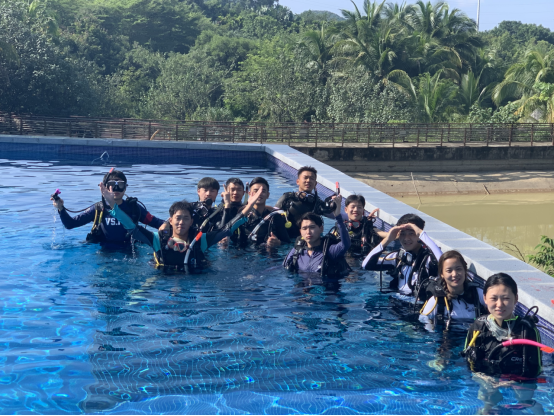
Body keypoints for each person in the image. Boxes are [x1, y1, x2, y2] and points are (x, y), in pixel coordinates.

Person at [99, 183, 264, 271]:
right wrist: (113, 205)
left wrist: (249, 205)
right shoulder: (158, 240)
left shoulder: (200, 240)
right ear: (170, 220)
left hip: (196, 282)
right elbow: (133, 228)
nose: (181, 222)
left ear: (192, 222)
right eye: (178, 218)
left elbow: (227, 229)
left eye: (186, 218)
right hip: (162, 282)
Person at [461, 273, 546, 414]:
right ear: (485, 298)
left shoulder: (527, 330)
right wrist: (483, 378)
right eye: (494, 298)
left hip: (519, 380)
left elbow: (534, 368)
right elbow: (468, 361)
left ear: (516, 299)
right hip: (487, 377)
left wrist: (512, 381)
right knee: (486, 398)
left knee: (525, 400)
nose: (499, 304)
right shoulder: (478, 326)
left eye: (506, 298)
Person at [50, 169, 164, 249]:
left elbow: (158, 223)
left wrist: (169, 228)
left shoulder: (134, 208)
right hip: (105, 252)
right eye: (112, 184)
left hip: (129, 252)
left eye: (120, 185)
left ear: (125, 188)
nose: (116, 188)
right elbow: (70, 224)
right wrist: (61, 209)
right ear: (105, 188)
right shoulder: (98, 209)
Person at [362, 213, 442, 300]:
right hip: (397, 303)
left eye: (411, 233)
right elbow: (366, 265)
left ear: (419, 235)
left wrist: (422, 234)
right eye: (402, 234)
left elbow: (442, 262)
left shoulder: (429, 259)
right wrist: (388, 239)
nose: (406, 238)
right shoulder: (398, 257)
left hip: (419, 306)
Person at [283, 195, 351, 277]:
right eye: (304, 228)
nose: (308, 232)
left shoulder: (329, 251)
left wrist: (338, 217)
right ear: (300, 232)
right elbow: (283, 268)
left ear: (321, 229)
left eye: (312, 227)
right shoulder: (297, 251)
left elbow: (345, 244)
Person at [420, 250, 486, 330]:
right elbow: (423, 323)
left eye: (458, 269)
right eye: (449, 271)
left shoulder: (478, 294)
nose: (454, 274)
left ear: (465, 270)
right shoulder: (436, 301)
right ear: (442, 274)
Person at [222, 177, 290, 248]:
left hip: (267, 253)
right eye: (256, 191)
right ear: (249, 194)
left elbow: (287, 243)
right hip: (243, 252)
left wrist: (278, 243)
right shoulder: (241, 214)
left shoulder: (275, 217)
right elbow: (226, 234)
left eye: (263, 191)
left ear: (268, 195)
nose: (259, 194)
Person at [275, 166, 337, 239]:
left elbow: (336, 216)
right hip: (289, 240)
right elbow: (272, 214)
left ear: (315, 183)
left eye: (312, 178)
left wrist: (337, 205)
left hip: (312, 241)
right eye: (305, 177)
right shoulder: (287, 199)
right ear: (298, 181)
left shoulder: (317, 202)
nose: (308, 180)